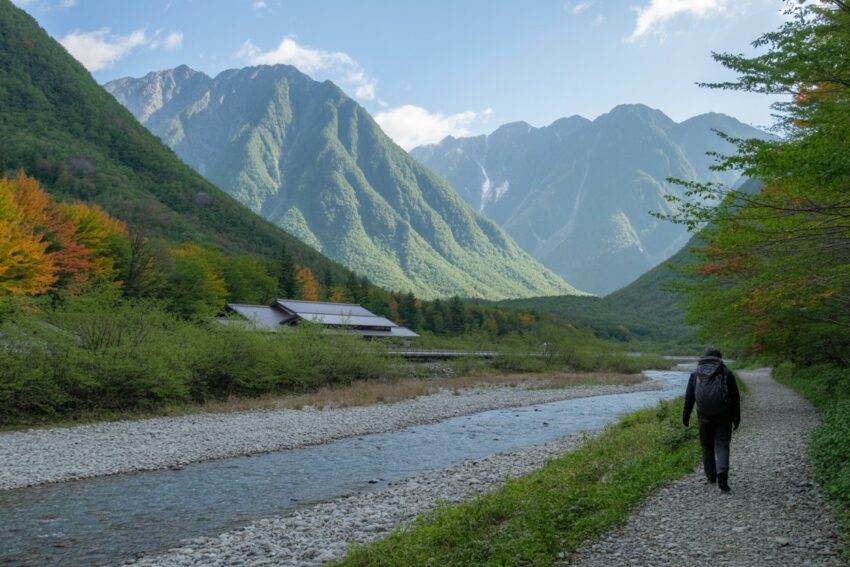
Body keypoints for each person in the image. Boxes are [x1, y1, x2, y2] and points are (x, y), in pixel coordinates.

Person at [682, 347, 741, 492]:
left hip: (703, 415)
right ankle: (722, 474)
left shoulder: (696, 374)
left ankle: (711, 476)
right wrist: (736, 417)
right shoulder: (726, 373)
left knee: (707, 446)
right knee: (722, 444)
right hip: (724, 414)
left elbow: (690, 397)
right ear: (720, 359)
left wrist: (686, 415)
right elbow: (735, 398)